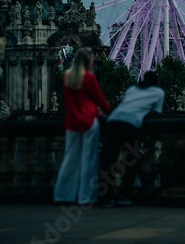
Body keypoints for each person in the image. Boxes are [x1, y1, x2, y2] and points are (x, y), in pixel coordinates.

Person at [54, 47, 111, 205]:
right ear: (88, 61)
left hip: (72, 122)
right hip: (88, 121)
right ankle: (86, 197)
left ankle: (63, 195)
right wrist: (110, 112)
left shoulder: (67, 76)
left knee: (69, 159)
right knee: (89, 160)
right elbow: (100, 100)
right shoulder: (89, 78)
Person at [99, 70, 165, 207]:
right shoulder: (159, 93)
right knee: (130, 161)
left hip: (112, 122)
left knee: (108, 161)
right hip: (131, 125)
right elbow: (153, 113)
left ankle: (104, 198)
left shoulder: (132, 89)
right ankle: (123, 195)